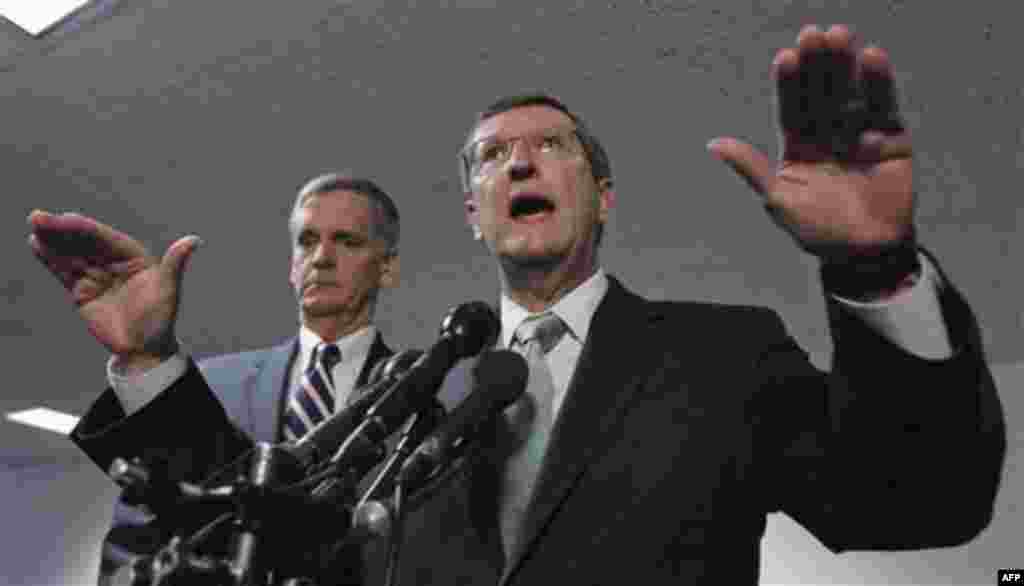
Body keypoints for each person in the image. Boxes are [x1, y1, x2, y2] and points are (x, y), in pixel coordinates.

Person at [379, 24, 1006, 585]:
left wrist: (876, 267)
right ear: (473, 216)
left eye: (551, 146)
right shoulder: (414, 398)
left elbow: (921, 498)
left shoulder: (723, 357)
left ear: (603, 198)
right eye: (492, 155)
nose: (519, 163)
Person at [28, 173, 401, 584]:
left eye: (347, 241)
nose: (322, 257)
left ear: (386, 268)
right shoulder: (206, 386)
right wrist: (146, 359)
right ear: (292, 267)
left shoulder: (438, 394)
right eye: (307, 241)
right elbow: (136, 545)